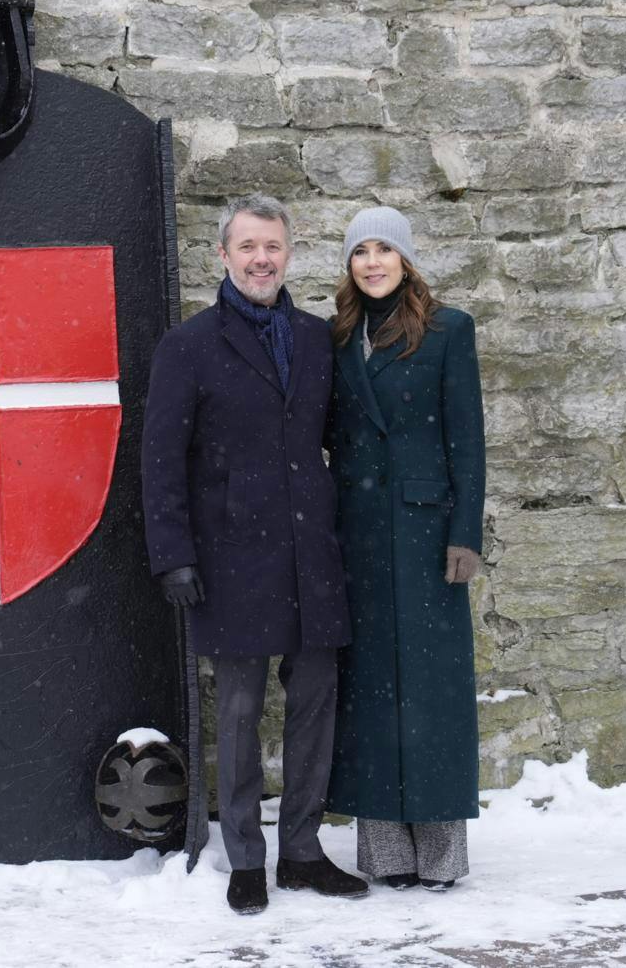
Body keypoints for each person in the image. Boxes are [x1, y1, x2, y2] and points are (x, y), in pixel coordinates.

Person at [141, 193, 369, 915]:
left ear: (288, 254)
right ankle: (245, 855)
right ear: (224, 256)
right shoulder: (189, 345)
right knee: (238, 712)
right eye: (247, 247)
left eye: (272, 246)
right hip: (232, 557)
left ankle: (301, 849)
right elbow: (159, 459)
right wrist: (172, 553)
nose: (261, 259)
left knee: (314, 706)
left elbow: (341, 439)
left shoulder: (315, 338)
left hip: (313, 552)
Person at [324, 206, 486, 893]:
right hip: (359, 530)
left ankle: (442, 855)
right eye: (360, 251)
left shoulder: (449, 330)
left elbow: (467, 441)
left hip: (426, 534)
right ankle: (387, 851)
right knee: (371, 690)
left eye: (384, 248)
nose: (372, 261)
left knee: (432, 691)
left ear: (406, 258)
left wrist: (466, 535)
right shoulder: (337, 337)